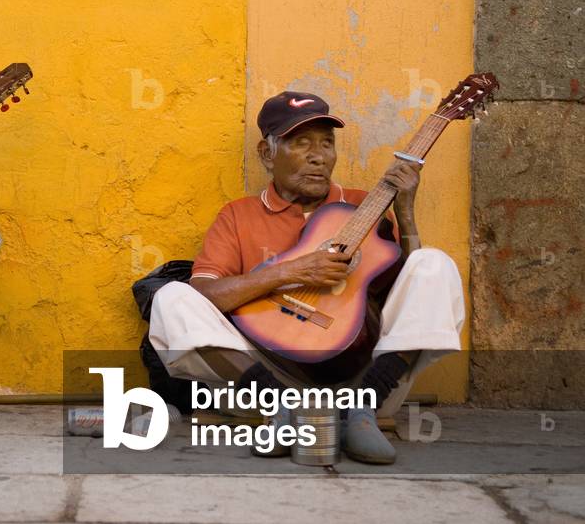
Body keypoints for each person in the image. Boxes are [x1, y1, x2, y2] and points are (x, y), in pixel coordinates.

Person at [148, 91, 464, 464]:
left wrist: (406, 213)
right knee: (171, 297)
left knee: (434, 264)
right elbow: (203, 292)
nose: (319, 156)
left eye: (327, 144)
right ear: (268, 154)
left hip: (365, 379)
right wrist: (292, 271)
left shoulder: (366, 205)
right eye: (301, 144)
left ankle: (359, 412)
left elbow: (411, 293)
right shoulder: (237, 215)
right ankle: (283, 410)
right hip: (263, 379)